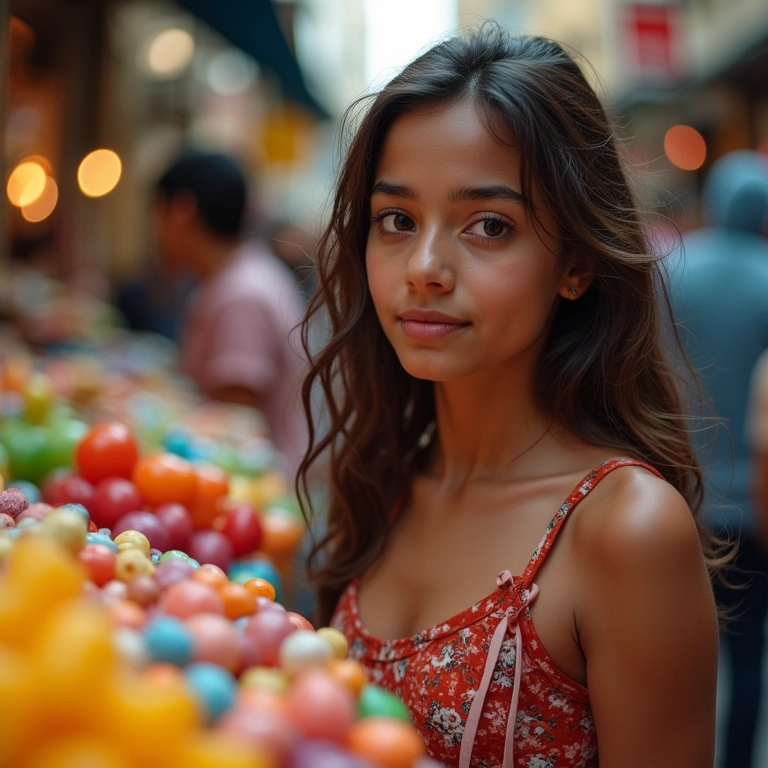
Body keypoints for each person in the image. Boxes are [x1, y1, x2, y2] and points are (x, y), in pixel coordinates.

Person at [297, 25, 721, 768]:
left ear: (577, 265)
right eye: (396, 219)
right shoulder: (383, 474)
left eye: (489, 226)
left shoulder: (626, 530)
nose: (424, 267)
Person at [670, 150, 768, 768]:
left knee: (677, 659)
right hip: (755, 501)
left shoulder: (677, 271)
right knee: (749, 653)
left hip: (681, 498)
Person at [154, 150, 308, 482]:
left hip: (255, 498)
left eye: (159, 213)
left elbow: (237, 428)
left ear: (182, 212)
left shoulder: (241, 296)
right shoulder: (237, 276)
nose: (156, 231)